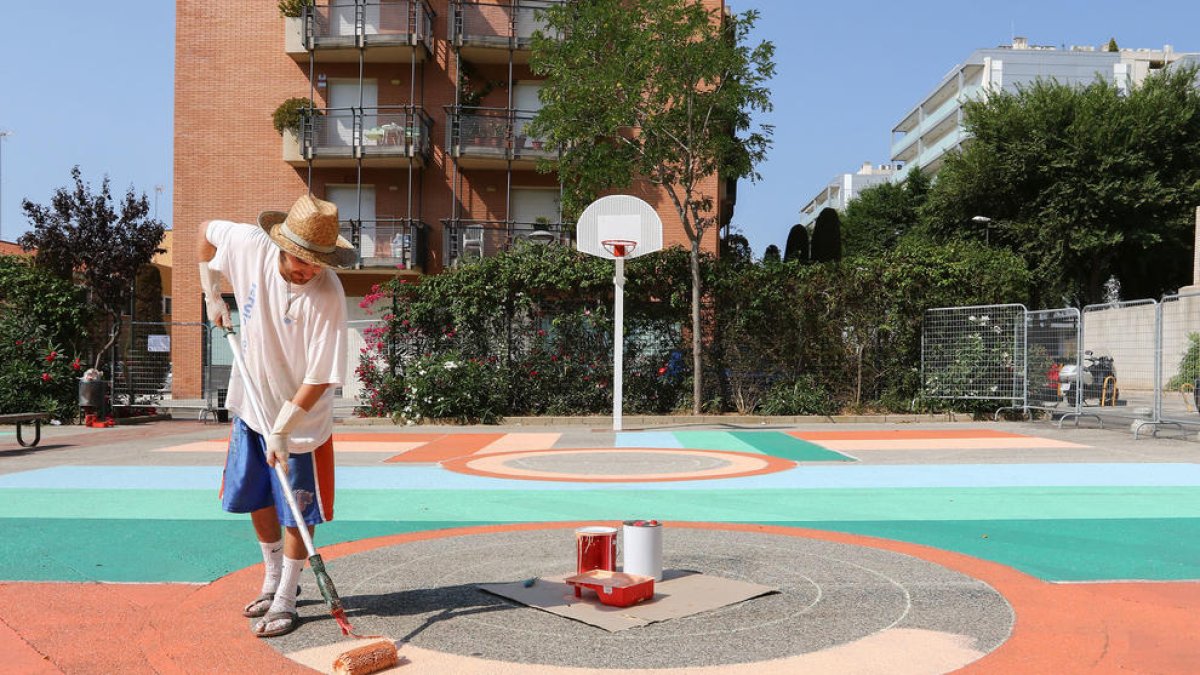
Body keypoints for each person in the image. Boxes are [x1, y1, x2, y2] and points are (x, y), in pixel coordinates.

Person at [198, 194, 353, 638]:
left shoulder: (328, 294)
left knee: (297, 507)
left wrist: (283, 429)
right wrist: (212, 294)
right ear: (282, 246)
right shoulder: (250, 245)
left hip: (301, 422)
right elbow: (204, 232)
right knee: (256, 495)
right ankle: (271, 578)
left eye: (318, 263)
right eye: (302, 259)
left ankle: (287, 596)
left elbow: (321, 376)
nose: (308, 270)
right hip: (252, 403)